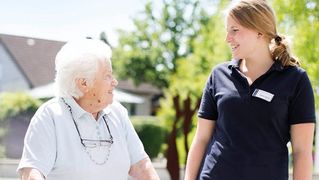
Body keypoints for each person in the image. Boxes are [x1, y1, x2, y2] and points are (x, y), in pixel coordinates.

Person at [185, 0, 315, 180]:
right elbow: (201, 139)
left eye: (234, 30)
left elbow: (302, 151)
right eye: (227, 30)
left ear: (259, 31)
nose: (227, 38)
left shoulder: (295, 80)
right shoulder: (218, 75)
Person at [18, 39, 160, 180]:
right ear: (84, 83)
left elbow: (141, 166)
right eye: (107, 76)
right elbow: (31, 173)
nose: (114, 82)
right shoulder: (50, 116)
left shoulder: (118, 112)